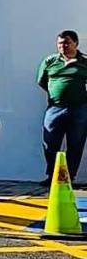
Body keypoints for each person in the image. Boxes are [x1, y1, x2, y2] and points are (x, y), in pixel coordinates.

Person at [37, 29, 87, 185]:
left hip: (79, 108)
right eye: (60, 43)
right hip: (55, 108)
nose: (62, 46)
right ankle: (52, 175)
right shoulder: (50, 61)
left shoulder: (84, 61)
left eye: (66, 43)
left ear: (76, 44)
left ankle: (69, 177)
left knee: (76, 143)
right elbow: (42, 81)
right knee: (50, 142)